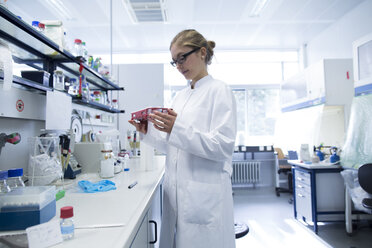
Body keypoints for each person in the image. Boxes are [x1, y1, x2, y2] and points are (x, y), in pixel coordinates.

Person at [129, 29, 237, 248]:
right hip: (177, 195)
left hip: (204, 196)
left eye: (183, 57)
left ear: (202, 53)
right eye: (174, 62)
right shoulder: (180, 96)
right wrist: (147, 132)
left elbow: (222, 146)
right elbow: (175, 146)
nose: (179, 66)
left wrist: (177, 128)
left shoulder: (220, 91)